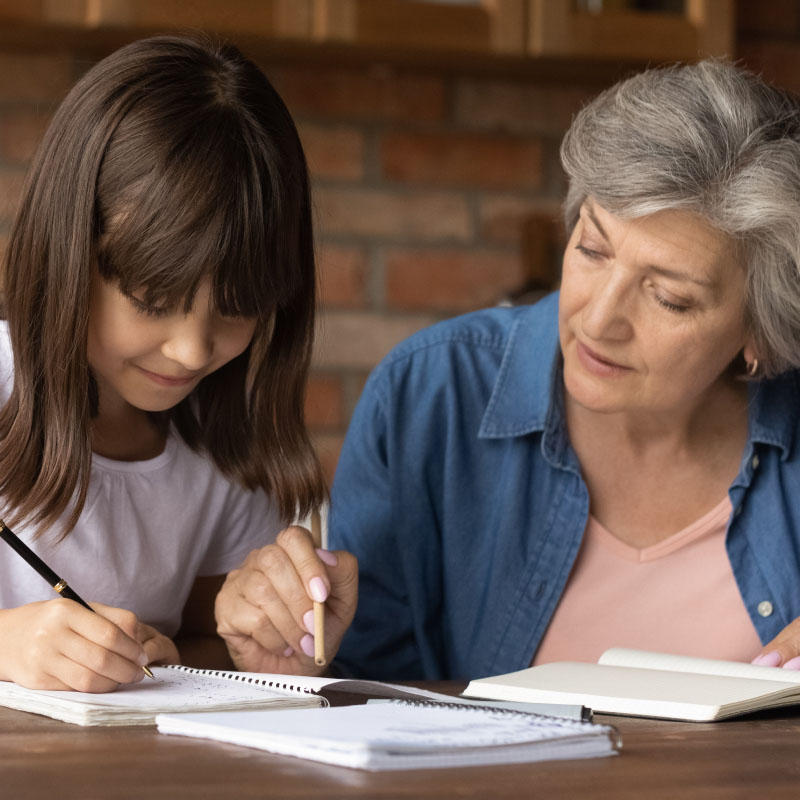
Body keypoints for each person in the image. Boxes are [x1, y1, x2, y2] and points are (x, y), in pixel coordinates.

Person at [215, 59, 800, 680]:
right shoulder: (431, 396)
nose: (598, 320)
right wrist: (291, 660)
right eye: (591, 249)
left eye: (668, 298)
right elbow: (366, 687)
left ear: (758, 333)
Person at [0, 34, 326, 692]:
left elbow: (206, 636)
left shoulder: (222, 458)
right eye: (152, 301)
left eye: (236, 309)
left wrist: (229, 636)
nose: (192, 350)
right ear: (69, 256)